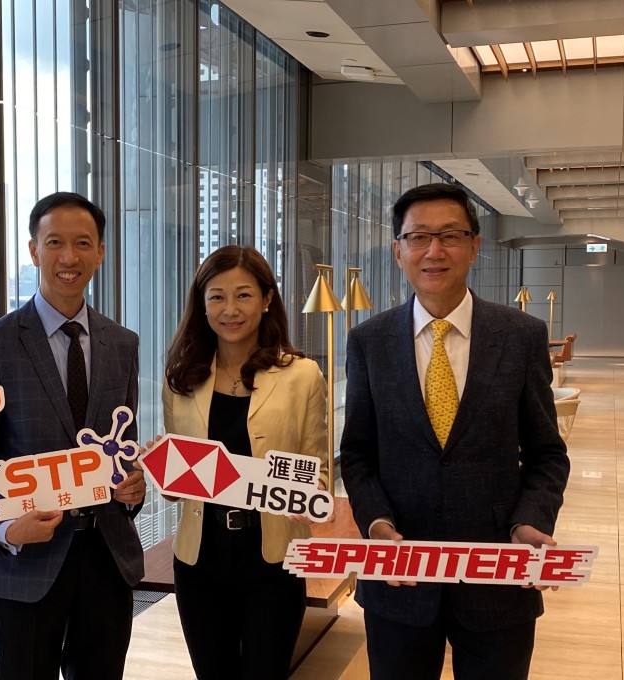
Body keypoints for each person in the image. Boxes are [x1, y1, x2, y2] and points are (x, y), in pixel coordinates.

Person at [340, 183, 570, 680]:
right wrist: (376, 524)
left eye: (450, 235)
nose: (434, 251)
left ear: (475, 245)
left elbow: (547, 453)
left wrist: (530, 521)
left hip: (498, 578)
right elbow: (357, 454)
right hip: (399, 577)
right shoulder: (368, 342)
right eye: (419, 236)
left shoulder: (522, 335)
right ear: (398, 249)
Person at [0, 191, 146, 680]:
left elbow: (122, 449)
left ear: (100, 252)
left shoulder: (122, 344)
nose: (69, 257)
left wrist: (131, 489)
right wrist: (3, 530)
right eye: (55, 242)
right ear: (33, 250)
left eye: (83, 243)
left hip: (107, 556)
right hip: (26, 561)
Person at [160, 245, 328, 680]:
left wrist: (306, 498)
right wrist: (164, 472)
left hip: (273, 557)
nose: (229, 309)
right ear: (202, 303)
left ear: (267, 298)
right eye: (216, 296)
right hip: (200, 559)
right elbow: (177, 477)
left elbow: (319, 470)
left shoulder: (303, 374)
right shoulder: (181, 376)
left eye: (243, 295)